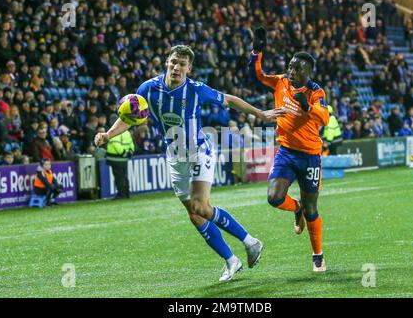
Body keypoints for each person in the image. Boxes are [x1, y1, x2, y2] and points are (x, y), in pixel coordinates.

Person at [95, 45, 284, 282]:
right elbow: (131, 116)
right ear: (167, 61)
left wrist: (261, 114)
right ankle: (231, 261)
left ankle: (250, 241)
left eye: (182, 64)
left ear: (189, 68)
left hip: (198, 152)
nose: (177, 67)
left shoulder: (195, 90)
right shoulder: (148, 89)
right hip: (175, 158)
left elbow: (230, 100)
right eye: (174, 62)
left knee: (201, 207)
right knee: (194, 215)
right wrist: (108, 135)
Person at [249, 27, 329, 272]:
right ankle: (296, 208)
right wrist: (257, 50)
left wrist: (309, 107)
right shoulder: (281, 82)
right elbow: (258, 75)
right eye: (291, 66)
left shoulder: (316, 92)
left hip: (310, 157)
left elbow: (324, 118)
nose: (291, 71)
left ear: (308, 72)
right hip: (286, 152)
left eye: (297, 69)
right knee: (274, 198)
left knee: (312, 208)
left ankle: (318, 255)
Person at [106, 124, 135, 199]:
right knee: (124, 176)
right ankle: (126, 193)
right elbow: (131, 143)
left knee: (119, 178)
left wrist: (122, 152)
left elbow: (115, 144)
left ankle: (121, 194)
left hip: (115, 158)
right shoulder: (127, 132)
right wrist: (130, 152)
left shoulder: (113, 132)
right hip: (124, 159)